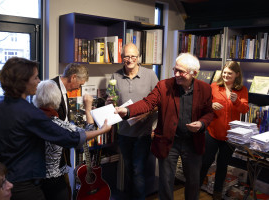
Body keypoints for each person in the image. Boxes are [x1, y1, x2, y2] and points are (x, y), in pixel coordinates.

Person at [0, 57, 111, 200]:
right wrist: (102, 130)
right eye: (35, 77)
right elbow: (69, 138)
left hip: (6, 179)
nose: (39, 81)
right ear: (22, 82)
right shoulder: (28, 112)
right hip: (25, 184)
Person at [115, 52, 213, 200]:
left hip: (193, 142)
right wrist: (128, 111)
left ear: (194, 73)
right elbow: (148, 103)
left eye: (182, 71)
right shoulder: (164, 85)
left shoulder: (205, 88)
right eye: (175, 69)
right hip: (169, 141)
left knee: (193, 182)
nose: (177, 74)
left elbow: (209, 113)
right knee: (166, 182)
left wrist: (201, 123)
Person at [106, 42, 159, 200]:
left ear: (138, 58)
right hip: (123, 132)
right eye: (126, 56)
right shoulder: (115, 76)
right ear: (122, 58)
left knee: (137, 170)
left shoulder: (150, 75)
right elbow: (111, 102)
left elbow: (159, 102)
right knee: (130, 169)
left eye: (133, 56)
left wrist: (146, 113)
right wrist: (109, 102)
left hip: (143, 131)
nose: (130, 60)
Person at [32, 80, 96, 200]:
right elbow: (88, 132)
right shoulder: (59, 124)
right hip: (55, 184)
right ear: (57, 99)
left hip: (32, 181)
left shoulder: (29, 120)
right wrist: (87, 109)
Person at [200, 61, 249, 199]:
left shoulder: (242, 90)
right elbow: (203, 104)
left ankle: (217, 193)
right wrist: (210, 105)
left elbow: (245, 109)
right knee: (206, 162)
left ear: (237, 74)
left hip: (230, 136)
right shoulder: (214, 86)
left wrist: (237, 101)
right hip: (212, 132)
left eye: (230, 73)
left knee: (223, 165)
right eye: (225, 72)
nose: (226, 75)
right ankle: (194, 189)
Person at [51, 63, 89, 198]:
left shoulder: (64, 89)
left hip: (62, 146)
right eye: (80, 84)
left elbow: (64, 118)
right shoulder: (51, 88)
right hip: (52, 152)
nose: (79, 87)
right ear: (73, 77)